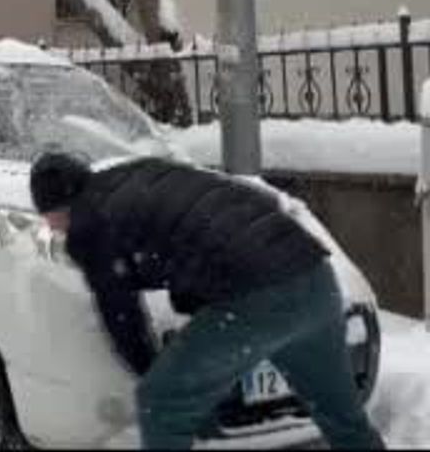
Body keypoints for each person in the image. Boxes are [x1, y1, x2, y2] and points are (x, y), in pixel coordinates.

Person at [28, 152, 384, 450]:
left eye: (50, 219)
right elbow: (200, 234)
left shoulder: (89, 222)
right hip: (315, 280)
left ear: (58, 208)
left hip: (260, 297)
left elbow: (120, 313)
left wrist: (153, 371)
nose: (54, 229)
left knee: (161, 402)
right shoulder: (139, 175)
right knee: (344, 422)